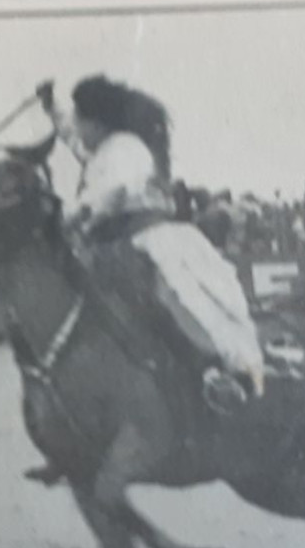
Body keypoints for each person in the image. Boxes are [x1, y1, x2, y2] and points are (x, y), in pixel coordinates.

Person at [37, 76, 265, 414]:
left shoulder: (128, 148)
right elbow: (72, 136)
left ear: (97, 122)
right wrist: (51, 108)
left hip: (153, 244)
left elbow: (115, 189)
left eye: (80, 119)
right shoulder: (100, 147)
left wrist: (76, 213)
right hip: (114, 246)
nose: (77, 128)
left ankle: (227, 376)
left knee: (182, 303)